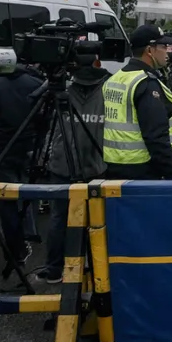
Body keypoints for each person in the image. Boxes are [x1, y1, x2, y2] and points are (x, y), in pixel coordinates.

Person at [33, 53, 110, 284]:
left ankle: (55, 269)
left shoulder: (61, 88)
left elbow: (36, 114)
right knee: (96, 220)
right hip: (96, 162)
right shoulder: (108, 86)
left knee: (59, 218)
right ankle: (97, 270)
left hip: (63, 164)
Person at [0, 61, 47, 266]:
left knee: (7, 200)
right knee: (28, 193)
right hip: (30, 146)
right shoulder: (36, 83)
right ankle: (29, 233)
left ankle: (15, 250)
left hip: (3, 149)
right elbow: (45, 117)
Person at [101, 25, 172, 180]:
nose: (168, 51)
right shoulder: (145, 83)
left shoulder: (115, 78)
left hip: (116, 166)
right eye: (164, 46)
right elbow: (156, 136)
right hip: (144, 169)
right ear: (149, 50)